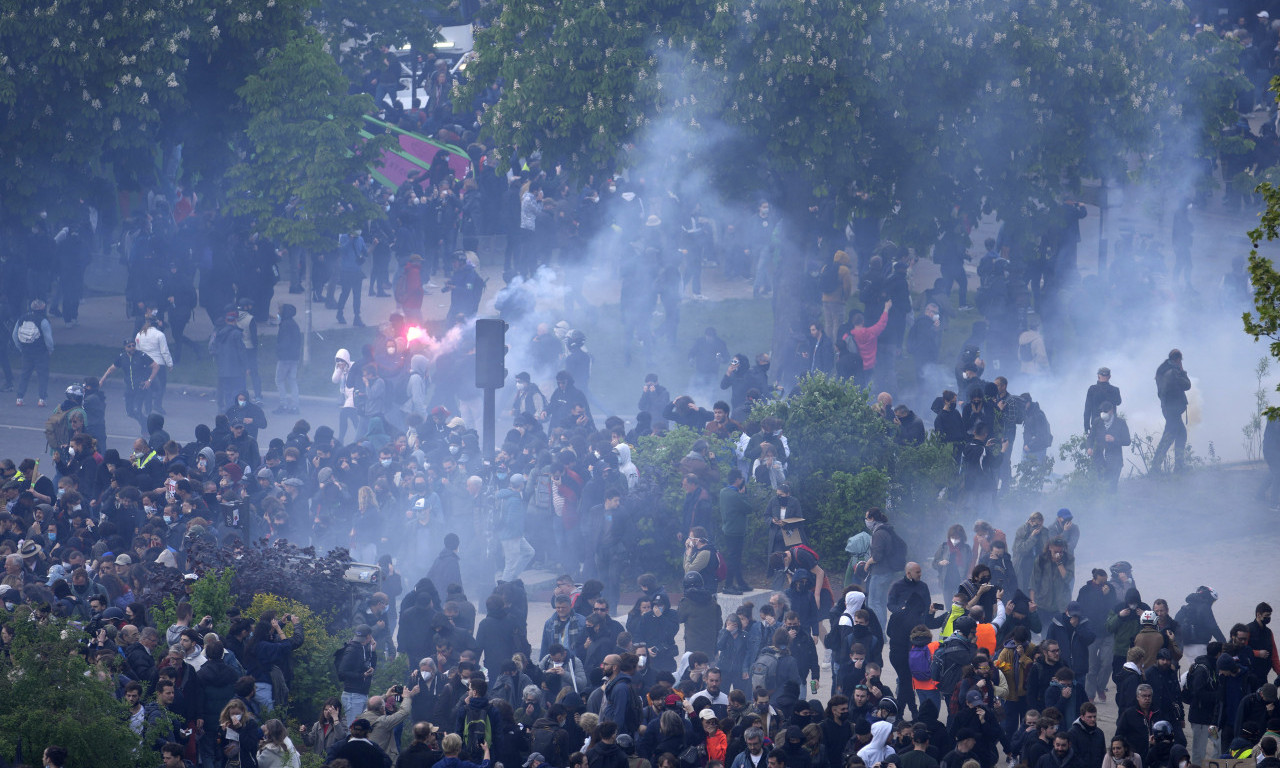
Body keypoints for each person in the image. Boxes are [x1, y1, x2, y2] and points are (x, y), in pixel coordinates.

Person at [1151, 349, 1191, 474]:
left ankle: (1174, 466)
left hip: (1168, 409)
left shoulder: (1161, 370)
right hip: (1172, 410)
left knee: (1176, 435)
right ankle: (1157, 468)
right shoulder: (1173, 372)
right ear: (1178, 359)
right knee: (1170, 437)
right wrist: (1182, 371)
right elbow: (1187, 385)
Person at [13, 299, 54, 407]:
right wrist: (50, 350)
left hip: (26, 352)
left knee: (24, 375)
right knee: (42, 376)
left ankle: (19, 398)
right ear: (42, 308)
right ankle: (42, 399)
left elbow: (14, 335)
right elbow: (48, 339)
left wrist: (21, 348)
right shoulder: (43, 321)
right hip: (41, 352)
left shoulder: (22, 318)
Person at [1085, 401, 1130, 491]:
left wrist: (1114, 440)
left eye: (1106, 411)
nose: (1103, 413)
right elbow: (1091, 437)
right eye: (1102, 411)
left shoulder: (1120, 423)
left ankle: (1113, 503)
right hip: (1099, 459)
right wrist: (1089, 447)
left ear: (1111, 411)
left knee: (1112, 486)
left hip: (1115, 460)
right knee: (1101, 484)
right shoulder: (1097, 422)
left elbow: (1127, 441)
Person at [273, 303, 302, 415]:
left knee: (279, 380)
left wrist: (278, 351)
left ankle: (283, 404)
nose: (278, 313)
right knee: (292, 381)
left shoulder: (284, 325)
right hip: (294, 358)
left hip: (285, 358)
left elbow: (284, 343)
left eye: (279, 311)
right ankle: (295, 406)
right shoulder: (294, 324)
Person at [1082, 368, 1121, 436]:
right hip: (1112, 425)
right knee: (1112, 445)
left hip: (1096, 425)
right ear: (1109, 377)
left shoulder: (1092, 389)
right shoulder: (1115, 390)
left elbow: (1087, 409)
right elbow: (1118, 402)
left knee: (1097, 446)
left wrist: (1086, 427)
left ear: (1098, 376)